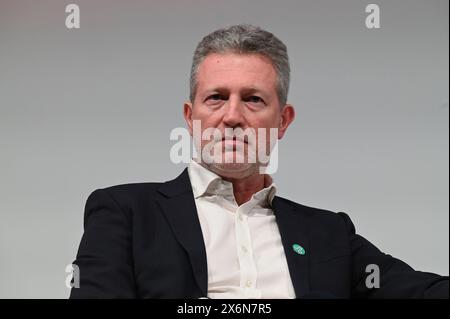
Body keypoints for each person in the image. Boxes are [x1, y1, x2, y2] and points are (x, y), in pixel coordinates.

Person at [70, 24, 448, 299]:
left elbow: (421, 291)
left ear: (282, 121)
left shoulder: (328, 234)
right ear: (190, 116)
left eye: (253, 99)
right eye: (216, 97)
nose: (232, 116)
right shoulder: (127, 212)